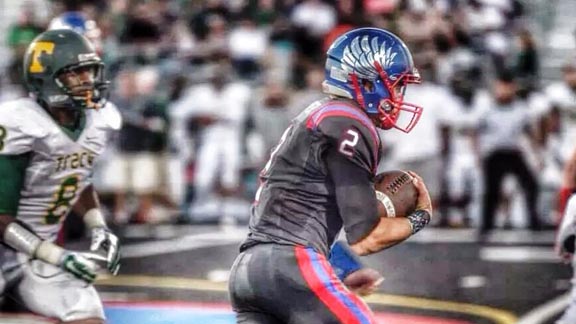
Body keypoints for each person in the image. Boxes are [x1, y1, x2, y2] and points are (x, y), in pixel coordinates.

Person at [228, 27, 433, 323]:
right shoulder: (350, 121)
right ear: (364, 81)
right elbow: (366, 236)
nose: (399, 96)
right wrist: (420, 215)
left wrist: (343, 268)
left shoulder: (321, 114)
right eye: (396, 84)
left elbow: (304, 212)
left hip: (249, 271)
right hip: (290, 264)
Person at [0, 29, 121, 323]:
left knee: (88, 315)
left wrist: (97, 226)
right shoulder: (20, 123)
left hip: (35, 252)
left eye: (89, 72)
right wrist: (57, 256)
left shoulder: (97, 120)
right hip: (21, 245)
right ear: (46, 78)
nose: (87, 81)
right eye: (75, 74)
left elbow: (75, 177)